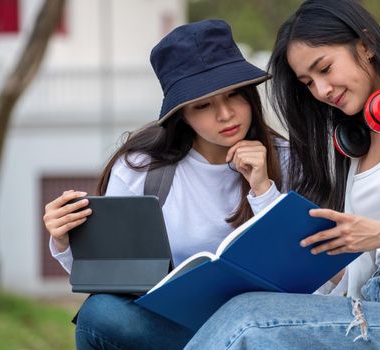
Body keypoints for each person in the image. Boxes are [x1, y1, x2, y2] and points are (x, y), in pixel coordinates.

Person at [184, 1, 380, 349]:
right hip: (371, 306)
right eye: (308, 82)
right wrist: (264, 193)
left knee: (250, 319)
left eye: (325, 69)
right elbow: (353, 274)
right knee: (246, 307)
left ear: (366, 45)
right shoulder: (357, 146)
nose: (321, 90)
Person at [42, 19, 289, 350]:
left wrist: (263, 190)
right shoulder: (141, 168)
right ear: (182, 114)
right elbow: (112, 272)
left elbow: (305, 272)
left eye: (234, 95)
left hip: (264, 330)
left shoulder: (286, 158)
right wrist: (63, 239)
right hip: (178, 331)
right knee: (99, 314)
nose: (226, 114)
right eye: (203, 105)